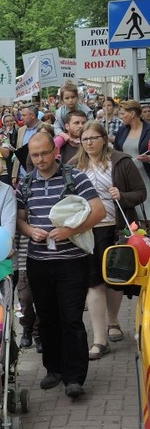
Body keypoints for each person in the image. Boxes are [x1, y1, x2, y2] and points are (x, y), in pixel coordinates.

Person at [16, 132, 105, 398]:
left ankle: (74, 377)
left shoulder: (74, 176)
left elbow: (98, 211)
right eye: (34, 155)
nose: (40, 159)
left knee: (71, 318)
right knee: (47, 319)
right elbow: (19, 219)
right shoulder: (25, 183)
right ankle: (53, 369)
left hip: (72, 262)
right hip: (39, 262)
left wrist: (70, 230)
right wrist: (30, 230)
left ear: (55, 152)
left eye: (44, 153)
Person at [70, 122, 146, 359]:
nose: (89, 142)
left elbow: (140, 193)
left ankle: (114, 322)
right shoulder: (73, 166)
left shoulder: (121, 161)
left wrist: (121, 195)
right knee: (93, 282)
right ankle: (99, 339)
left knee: (114, 281)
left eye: (93, 138)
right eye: (85, 139)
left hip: (115, 229)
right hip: (87, 230)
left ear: (104, 139)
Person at [114, 100, 150, 217]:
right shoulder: (122, 130)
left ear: (132, 114)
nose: (121, 117)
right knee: (134, 216)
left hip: (146, 177)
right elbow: (116, 151)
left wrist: (149, 158)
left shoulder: (148, 130)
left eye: (123, 113)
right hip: (127, 180)